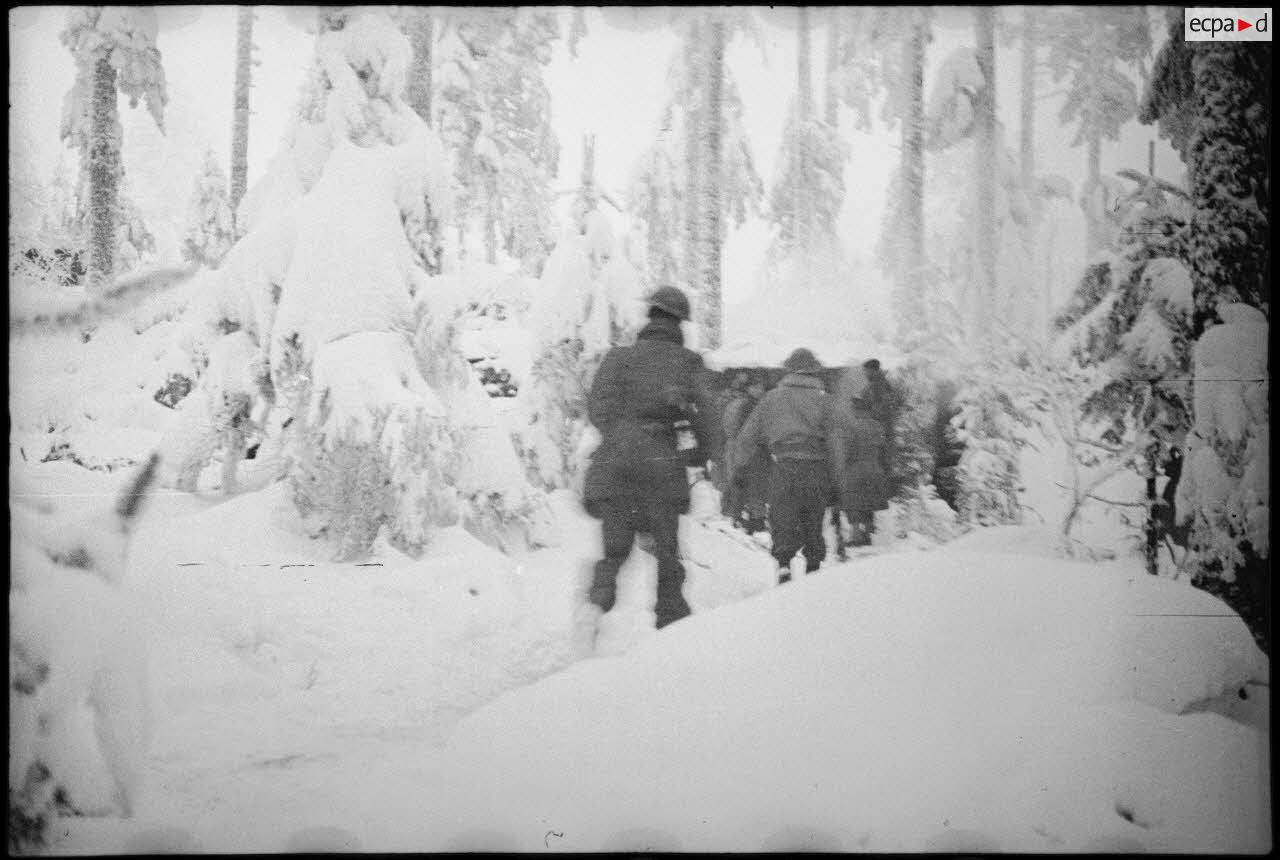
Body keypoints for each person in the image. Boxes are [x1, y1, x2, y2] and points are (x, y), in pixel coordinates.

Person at [582, 285, 717, 631]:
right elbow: (709, 421)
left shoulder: (617, 358)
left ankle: (592, 612)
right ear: (679, 323)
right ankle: (671, 631)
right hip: (660, 468)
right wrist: (700, 457)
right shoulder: (687, 363)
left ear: (651, 316)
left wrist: (621, 436)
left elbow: (597, 408)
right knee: (667, 554)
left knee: (614, 551)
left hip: (614, 466)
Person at [732, 348, 839, 583]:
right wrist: (837, 478)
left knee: (783, 517)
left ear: (789, 370)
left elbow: (746, 438)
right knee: (813, 519)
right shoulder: (826, 401)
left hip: (783, 466)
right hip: (816, 468)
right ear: (814, 371)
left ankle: (783, 566)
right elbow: (836, 443)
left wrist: (739, 469)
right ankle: (813, 569)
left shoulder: (771, 398)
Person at [832, 389, 891, 548]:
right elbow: (884, 450)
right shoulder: (878, 427)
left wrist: (841, 466)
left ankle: (856, 535)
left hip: (856, 470)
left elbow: (848, 451)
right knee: (869, 501)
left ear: (856, 410)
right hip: (874, 468)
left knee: (854, 503)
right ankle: (867, 532)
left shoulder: (852, 428)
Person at [720, 372, 768, 531]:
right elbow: (750, 432)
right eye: (757, 387)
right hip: (749, 449)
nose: (760, 390)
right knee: (755, 484)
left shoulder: (733, 402)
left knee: (736, 482)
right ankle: (756, 519)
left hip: (733, 447)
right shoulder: (750, 406)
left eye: (761, 387)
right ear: (749, 388)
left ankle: (734, 514)